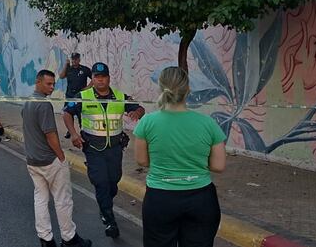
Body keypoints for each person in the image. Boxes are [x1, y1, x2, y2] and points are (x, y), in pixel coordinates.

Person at [134, 66, 226, 247]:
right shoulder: (208, 123)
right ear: (188, 89)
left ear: (160, 89)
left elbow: (142, 161)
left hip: (160, 199)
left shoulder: (147, 122)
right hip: (201, 200)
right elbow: (218, 166)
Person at [62, 62, 145, 239]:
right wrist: (74, 134)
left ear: (108, 78)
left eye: (103, 77)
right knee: (101, 182)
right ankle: (109, 220)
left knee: (113, 181)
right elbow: (66, 113)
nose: (100, 80)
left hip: (115, 148)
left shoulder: (119, 96)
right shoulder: (83, 96)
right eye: (96, 77)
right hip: (93, 148)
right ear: (92, 78)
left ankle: (106, 202)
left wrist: (137, 112)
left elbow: (139, 107)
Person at [23, 70, 92, 247]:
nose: (52, 87)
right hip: (49, 161)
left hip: (33, 161)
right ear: (38, 82)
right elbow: (50, 135)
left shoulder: (28, 102)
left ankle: (46, 239)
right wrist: (61, 156)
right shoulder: (44, 105)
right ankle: (69, 239)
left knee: (40, 199)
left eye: (53, 84)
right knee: (63, 200)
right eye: (48, 84)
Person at [59, 53, 92, 139]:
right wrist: (66, 65)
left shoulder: (84, 69)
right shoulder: (69, 69)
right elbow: (61, 76)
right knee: (68, 113)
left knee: (81, 114)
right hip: (69, 95)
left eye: (76, 59)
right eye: (73, 59)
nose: (74, 61)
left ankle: (83, 131)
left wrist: (88, 88)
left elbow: (94, 78)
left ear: (79, 60)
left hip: (80, 96)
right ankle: (70, 131)